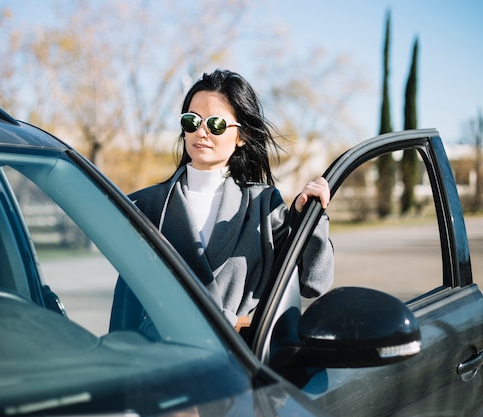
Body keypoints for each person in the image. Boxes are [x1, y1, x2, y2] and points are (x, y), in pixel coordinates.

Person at [120, 69, 333, 331]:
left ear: (242, 136)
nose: (201, 132)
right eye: (191, 121)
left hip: (241, 359)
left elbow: (313, 283)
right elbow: (127, 308)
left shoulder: (264, 205)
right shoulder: (144, 205)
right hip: (164, 359)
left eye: (216, 124)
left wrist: (308, 217)